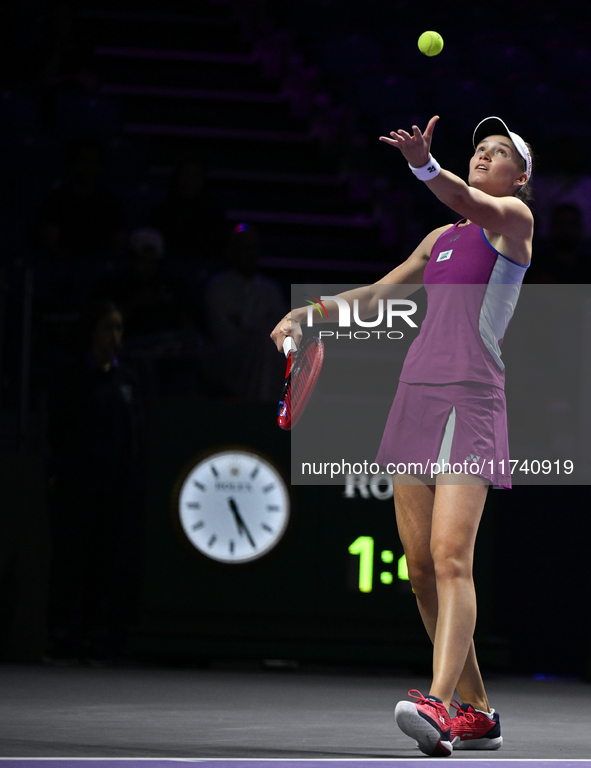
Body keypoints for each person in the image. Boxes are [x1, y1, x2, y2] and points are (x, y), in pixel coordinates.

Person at [270, 115, 533, 756]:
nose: (483, 157)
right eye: (479, 149)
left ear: (519, 180)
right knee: (419, 569)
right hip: (415, 398)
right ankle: (479, 712)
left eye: (499, 154)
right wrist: (312, 313)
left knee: (451, 560)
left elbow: (463, 197)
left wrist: (422, 165)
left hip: (471, 403)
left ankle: (440, 705)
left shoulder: (514, 227)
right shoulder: (441, 237)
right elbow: (383, 292)